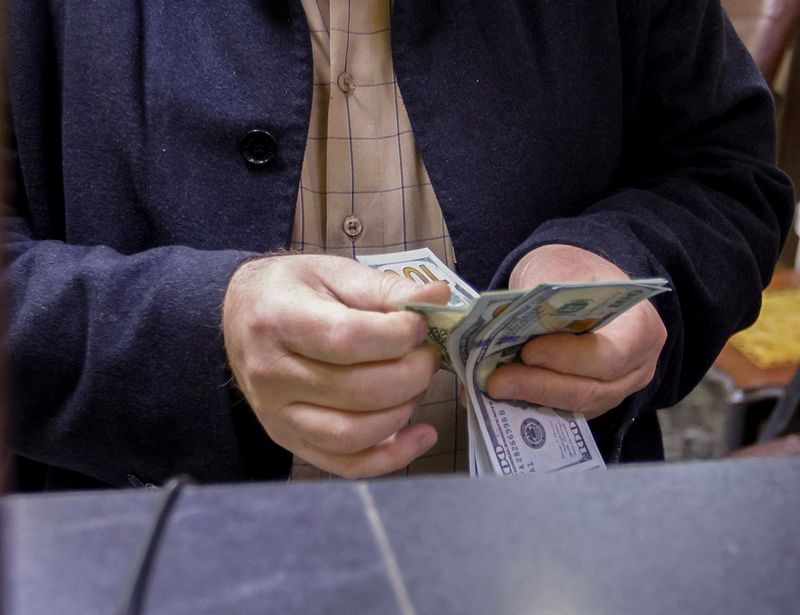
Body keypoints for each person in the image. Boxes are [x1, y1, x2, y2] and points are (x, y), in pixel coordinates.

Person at [2, 0, 794, 489]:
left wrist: (623, 253)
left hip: (552, 561)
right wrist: (200, 332)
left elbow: (726, 174)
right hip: (156, 564)